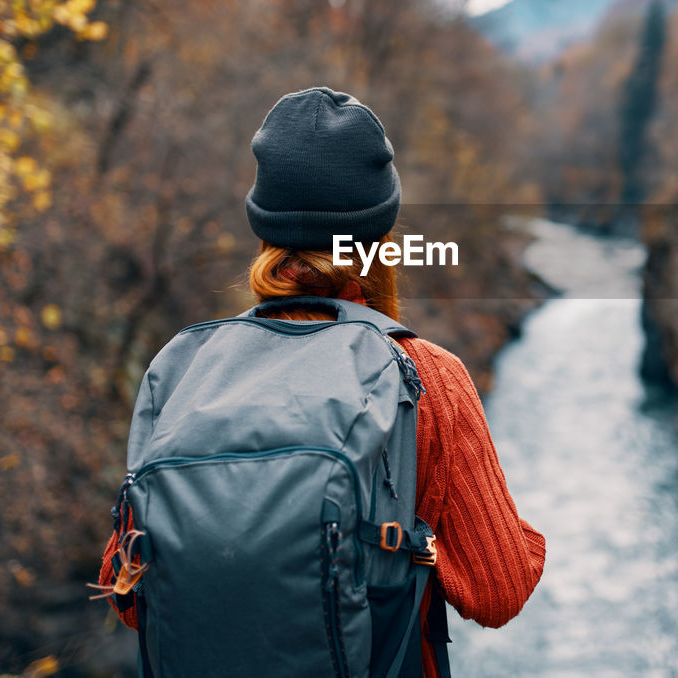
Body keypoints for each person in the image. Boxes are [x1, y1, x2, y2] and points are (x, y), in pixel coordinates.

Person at [97, 86, 546, 677]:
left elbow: (126, 591)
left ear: (263, 225)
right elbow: (497, 589)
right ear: (382, 235)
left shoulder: (182, 367)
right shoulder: (427, 376)